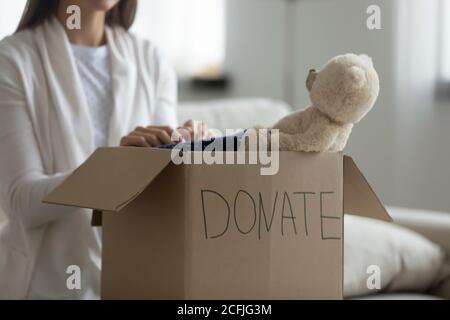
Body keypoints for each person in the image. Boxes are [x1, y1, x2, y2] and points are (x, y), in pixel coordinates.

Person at [0, 0, 197, 299]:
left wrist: (191, 153)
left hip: (138, 280)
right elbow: (21, 201)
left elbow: (163, 194)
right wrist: (114, 169)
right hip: (46, 286)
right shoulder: (12, 60)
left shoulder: (152, 61)